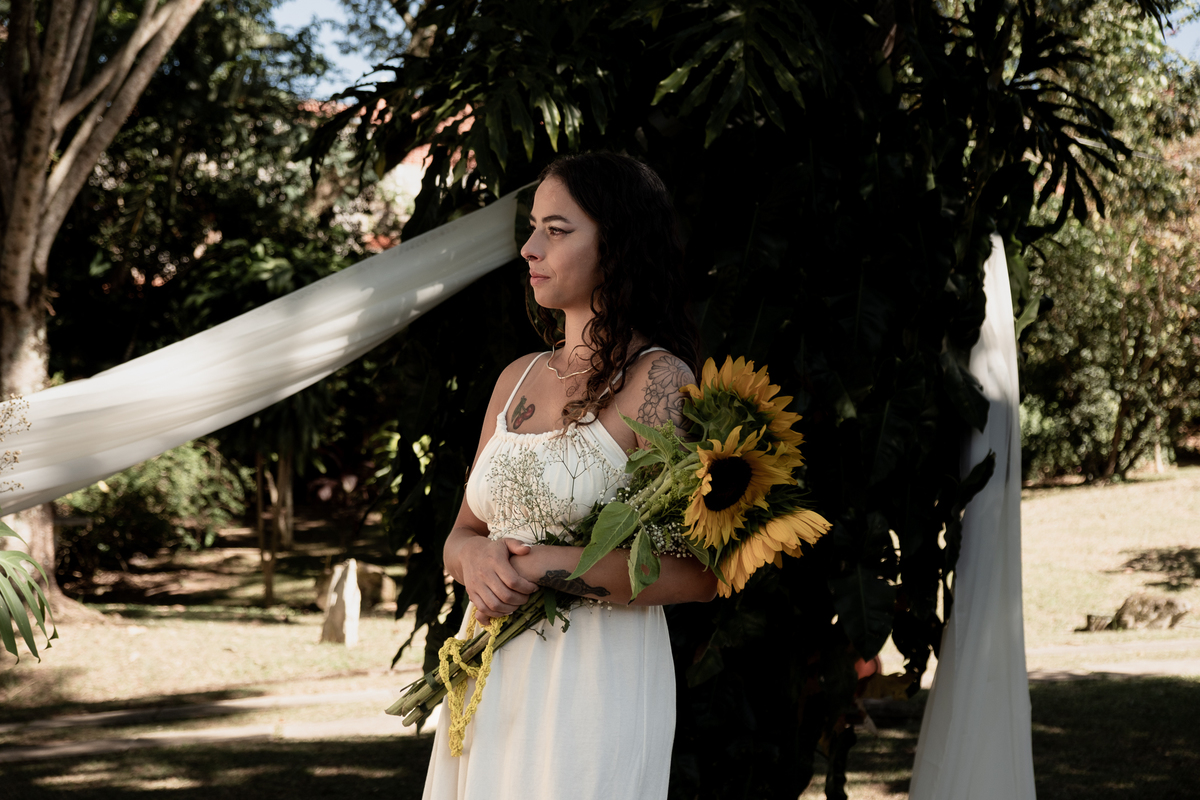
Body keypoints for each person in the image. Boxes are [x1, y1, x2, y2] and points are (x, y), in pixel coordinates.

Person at [421, 152, 718, 800]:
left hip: (590, 684)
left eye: (556, 230)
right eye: (533, 228)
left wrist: (536, 565)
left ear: (616, 243)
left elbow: (698, 573)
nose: (530, 248)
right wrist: (471, 559)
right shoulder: (516, 377)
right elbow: (463, 532)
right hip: (489, 674)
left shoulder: (660, 381)